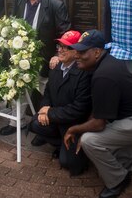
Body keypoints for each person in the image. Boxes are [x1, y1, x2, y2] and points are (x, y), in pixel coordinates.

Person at [64, 30, 132, 198]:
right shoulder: (105, 62)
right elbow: (99, 110)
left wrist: (73, 130)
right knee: (116, 158)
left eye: (82, 52)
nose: (76, 55)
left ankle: (118, 180)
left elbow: (99, 123)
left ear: (96, 52)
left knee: (91, 142)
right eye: (76, 50)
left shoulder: (104, 75)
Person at [0, 0, 71, 136]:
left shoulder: (55, 4)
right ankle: (17, 121)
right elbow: (13, 22)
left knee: (47, 94)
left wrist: (57, 56)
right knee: (19, 88)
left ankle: (45, 130)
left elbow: (65, 34)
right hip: (21, 57)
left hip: (44, 59)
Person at [29, 30, 92, 176]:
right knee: (35, 123)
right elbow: (48, 93)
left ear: (77, 52)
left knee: (68, 163)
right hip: (58, 118)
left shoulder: (84, 73)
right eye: (60, 45)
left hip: (74, 124)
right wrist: (45, 107)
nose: (61, 49)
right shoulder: (56, 67)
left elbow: (79, 109)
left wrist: (49, 113)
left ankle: (68, 149)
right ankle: (59, 143)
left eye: (67, 47)